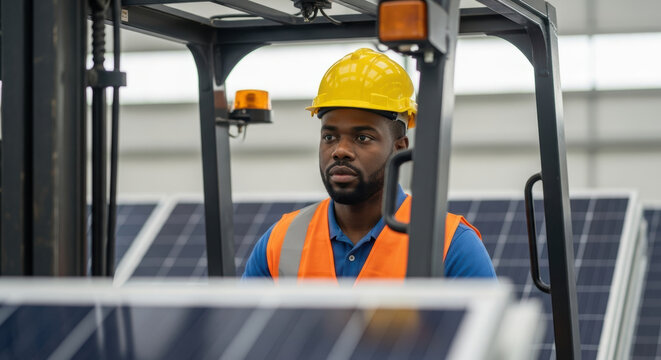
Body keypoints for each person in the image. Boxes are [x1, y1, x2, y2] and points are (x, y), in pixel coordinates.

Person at [243, 48, 495, 281]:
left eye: (362, 138)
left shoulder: (451, 244)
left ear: (400, 147)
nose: (340, 151)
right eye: (329, 137)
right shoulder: (281, 240)